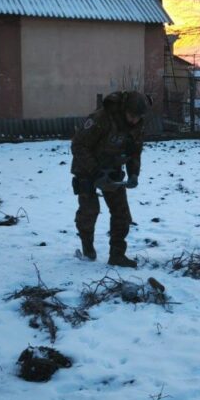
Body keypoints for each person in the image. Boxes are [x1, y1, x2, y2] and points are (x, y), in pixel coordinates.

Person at [70, 90, 151, 267]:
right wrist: (95, 171)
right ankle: (87, 247)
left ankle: (117, 255)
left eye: (138, 117)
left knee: (121, 213)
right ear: (124, 109)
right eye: (132, 116)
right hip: (86, 168)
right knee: (90, 210)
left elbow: (134, 151)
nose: (134, 120)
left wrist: (134, 174)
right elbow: (78, 145)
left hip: (112, 167)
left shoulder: (137, 125)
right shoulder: (101, 118)